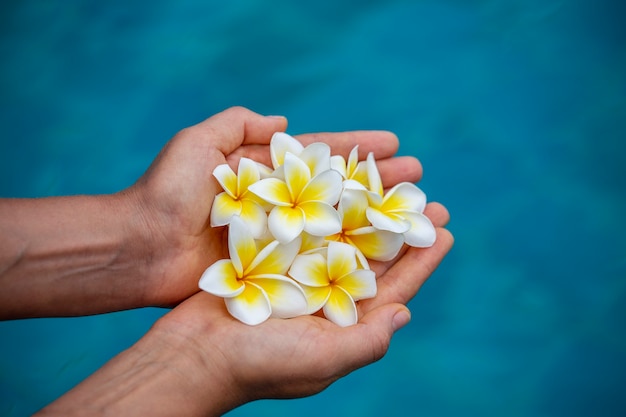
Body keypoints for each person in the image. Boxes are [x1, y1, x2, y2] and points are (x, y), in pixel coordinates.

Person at [0, 106, 454, 416]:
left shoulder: (310, 239)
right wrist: (206, 365)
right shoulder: (261, 227)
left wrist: (141, 239)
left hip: (295, 264)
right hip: (272, 260)